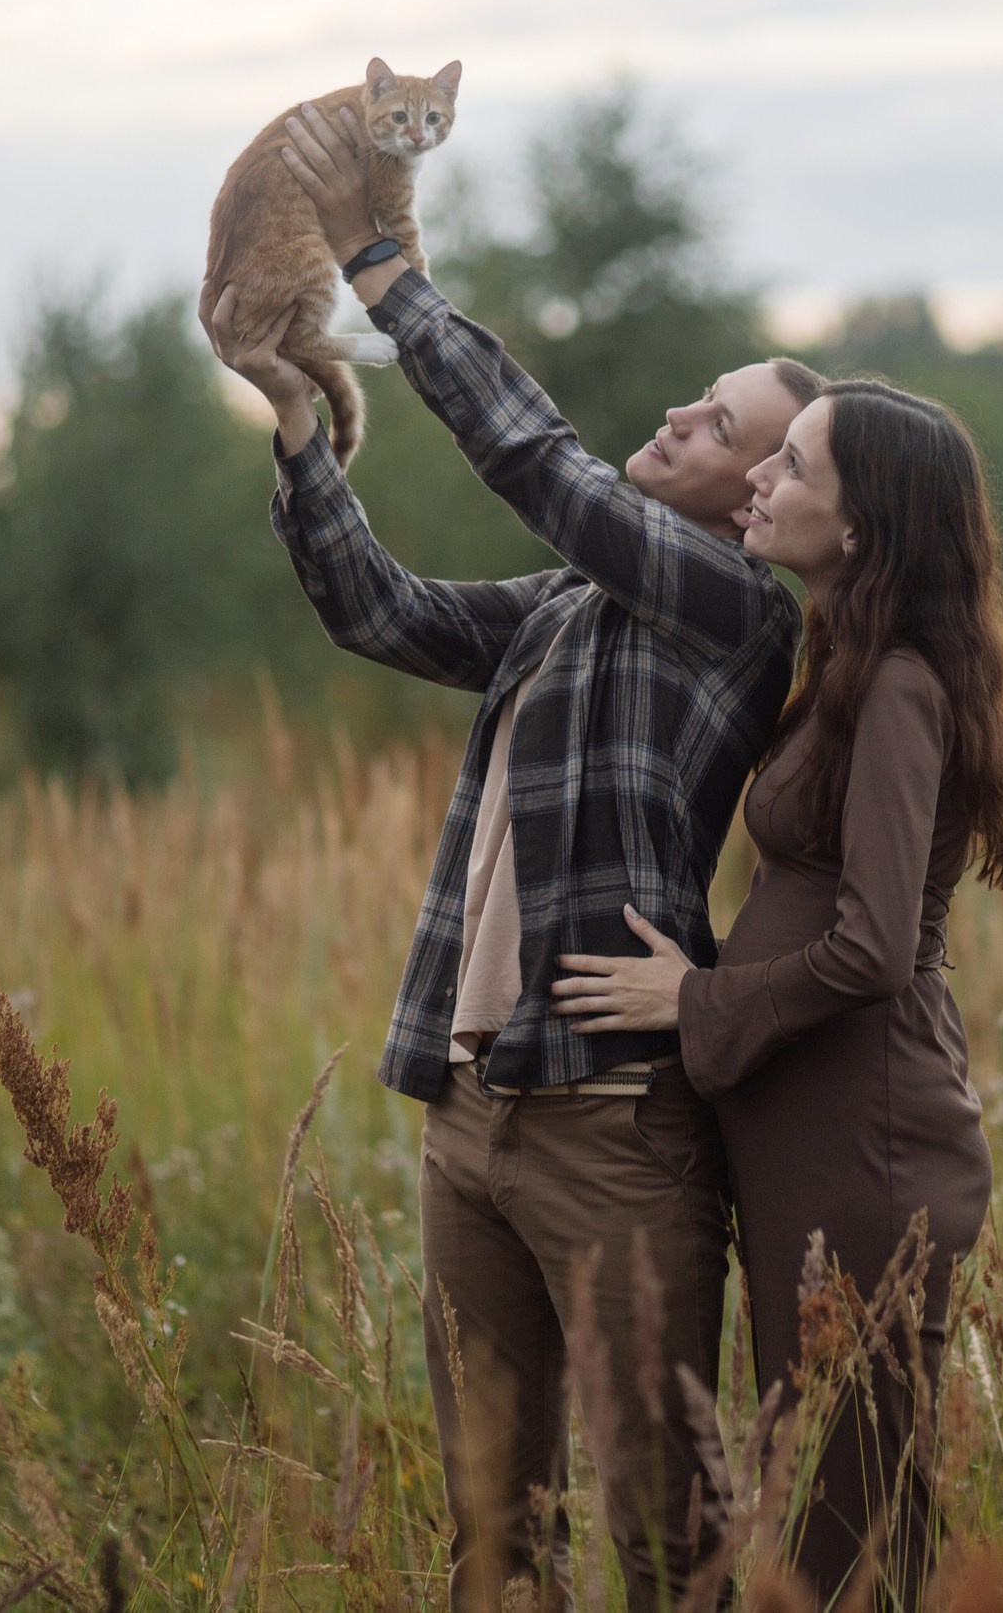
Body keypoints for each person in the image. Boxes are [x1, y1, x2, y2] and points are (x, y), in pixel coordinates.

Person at [206, 99, 823, 1611]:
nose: (683, 415)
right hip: (468, 1118)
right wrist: (295, 410)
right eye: (699, 396)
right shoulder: (565, 606)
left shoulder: (736, 617)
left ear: (753, 495)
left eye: (722, 425)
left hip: (613, 1132)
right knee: (496, 1534)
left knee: (667, 1536)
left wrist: (384, 271)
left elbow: (538, 460)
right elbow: (380, 611)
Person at [551, 380, 1003, 1608]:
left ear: (861, 525)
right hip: (812, 1141)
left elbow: (873, 946)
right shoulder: (848, 667)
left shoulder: (899, 689)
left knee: (850, 1522)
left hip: (864, 1152)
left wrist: (694, 1001)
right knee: (829, 1499)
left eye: (795, 469)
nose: (760, 479)